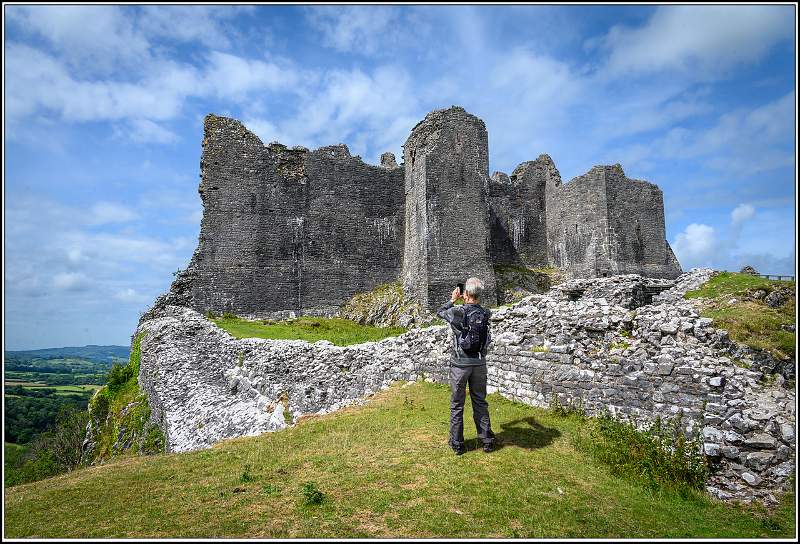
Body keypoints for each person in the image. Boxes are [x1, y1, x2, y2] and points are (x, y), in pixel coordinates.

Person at [437, 277, 496, 455]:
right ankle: (486, 440)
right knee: (480, 401)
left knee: (457, 404)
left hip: (460, 364)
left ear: (466, 294)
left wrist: (453, 300)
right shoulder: (486, 313)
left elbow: (440, 311)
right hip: (479, 363)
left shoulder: (458, 312)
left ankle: (457, 443)